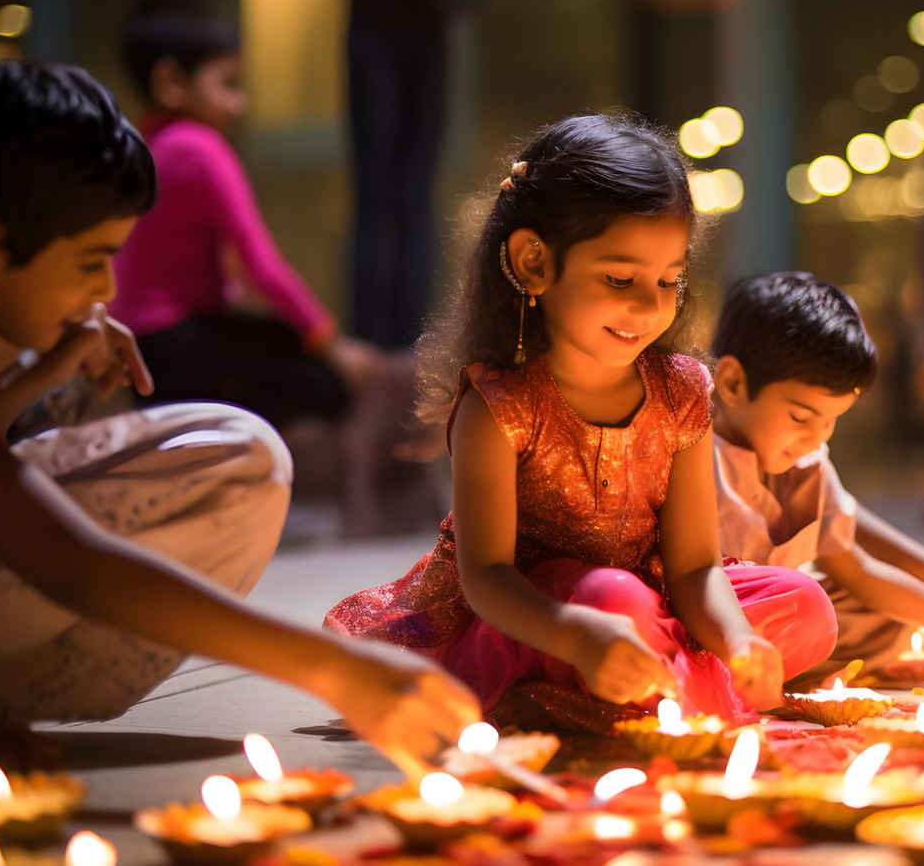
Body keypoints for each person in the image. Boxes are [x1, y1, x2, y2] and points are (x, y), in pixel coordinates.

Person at [0, 60, 477, 776]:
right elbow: (67, 564)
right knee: (228, 458)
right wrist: (335, 669)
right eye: (92, 260)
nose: (106, 290)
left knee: (233, 455)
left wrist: (43, 373)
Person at [324, 114, 838, 733]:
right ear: (535, 262)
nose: (649, 305)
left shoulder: (682, 392)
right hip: (533, 618)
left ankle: (657, 674)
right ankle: (657, 678)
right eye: (620, 278)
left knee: (805, 607)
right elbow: (487, 577)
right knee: (614, 601)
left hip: (651, 600)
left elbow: (697, 567)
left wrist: (735, 638)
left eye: (668, 279)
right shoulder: (499, 403)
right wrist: (575, 630)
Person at [114, 0, 426, 537]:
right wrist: (333, 344)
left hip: (140, 351)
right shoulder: (200, 148)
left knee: (266, 347)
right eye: (228, 83)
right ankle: (307, 500)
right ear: (172, 83)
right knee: (326, 381)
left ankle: (239, 490)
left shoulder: (145, 147)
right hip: (177, 346)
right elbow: (262, 264)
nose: (241, 101)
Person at [709, 273, 924, 686]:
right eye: (801, 417)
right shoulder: (697, 452)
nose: (817, 436)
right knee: (807, 602)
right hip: (708, 618)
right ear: (731, 383)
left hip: (780, 616)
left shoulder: (804, 458)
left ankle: (773, 666)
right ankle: (731, 673)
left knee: (885, 615)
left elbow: (855, 565)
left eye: (832, 420)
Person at [346, 0, 496, 349]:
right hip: (380, 29)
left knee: (406, 201)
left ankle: (405, 346)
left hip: (422, 32)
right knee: (382, 204)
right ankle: (377, 347)